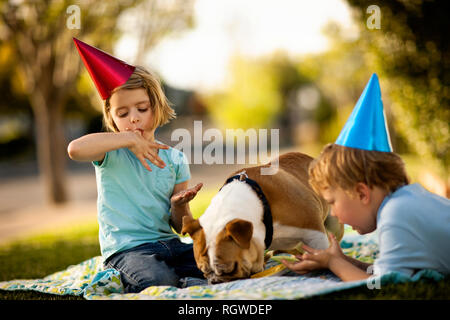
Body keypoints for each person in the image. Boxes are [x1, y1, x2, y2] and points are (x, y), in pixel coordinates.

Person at [282, 74, 450, 281]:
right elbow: (385, 271)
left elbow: (381, 285)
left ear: (361, 192)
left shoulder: (395, 215)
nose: (333, 214)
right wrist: (341, 260)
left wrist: (334, 263)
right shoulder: (407, 200)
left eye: (333, 202)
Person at [68, 38, 205, 293]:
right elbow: (74, 149)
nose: (133, 118)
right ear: (112, 118)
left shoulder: (175, 159)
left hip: (171, 244)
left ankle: (188, 283)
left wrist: (179, 205)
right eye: (122, 114)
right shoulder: (111, 153)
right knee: (156, 281)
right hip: (128, 251)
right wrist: (128, 139)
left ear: (156, 106)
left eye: (142, 108)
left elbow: (181, 225)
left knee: (216, 264)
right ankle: (182, 286)